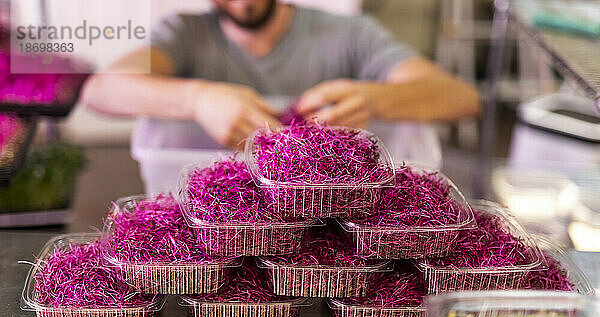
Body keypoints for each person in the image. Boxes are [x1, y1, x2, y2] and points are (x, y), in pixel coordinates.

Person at [82, 0, 480, 149]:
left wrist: (374, 99)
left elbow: (461, 97)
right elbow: (100, 90)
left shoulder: (347, 34)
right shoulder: (185, 34)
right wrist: (197, 98)